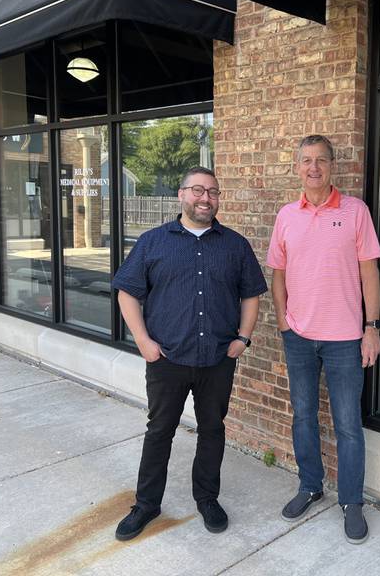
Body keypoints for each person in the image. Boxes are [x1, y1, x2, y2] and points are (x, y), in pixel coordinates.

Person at [112, 166, 267, 540]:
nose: (205, 198)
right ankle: (146, 504)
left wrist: (243, 339)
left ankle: (207, 498)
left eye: (212, 192)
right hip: (167, 359)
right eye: (197, 190)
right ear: (181, 195)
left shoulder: (235, 245)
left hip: (217, 359)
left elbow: (250, 295)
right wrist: (144, 343)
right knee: (159, 430)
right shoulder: (153, 242)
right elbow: (127, 292)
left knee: (212, 430)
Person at [267, 135, 380, 544]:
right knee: (303, 416)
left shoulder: (355, 212)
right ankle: (310, 485)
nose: (313, 167)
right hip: (298, 336)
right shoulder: (286, 215)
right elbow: (278, 273)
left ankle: (352, 501)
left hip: (345, 339)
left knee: (348, 424)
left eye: (321, 160)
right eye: (306, 161)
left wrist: (372, 327)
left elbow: (370, 273)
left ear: (332, 166)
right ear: (297, 167)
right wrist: (283, 321)